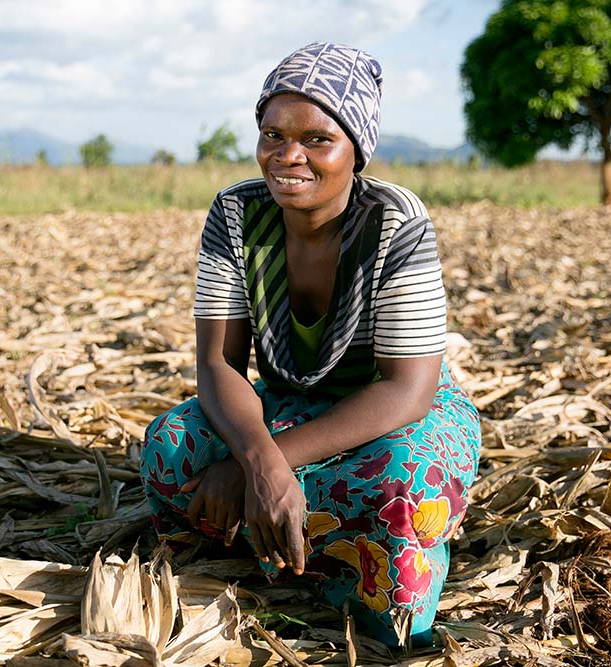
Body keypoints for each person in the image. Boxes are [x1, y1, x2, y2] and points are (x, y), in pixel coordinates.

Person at [140, 42, 481, 648]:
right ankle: (324, 544)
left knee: (401, 483)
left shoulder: (394, 223)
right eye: (273, 134)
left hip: (394, 418)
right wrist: (257, 458)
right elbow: (219, 363)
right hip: (284, 406)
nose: (287, 156)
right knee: (171, 450)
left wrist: (267, 463)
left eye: (317, 140)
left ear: (356, 150)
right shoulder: (236, 213)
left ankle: (310, 547)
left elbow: (408, 389)